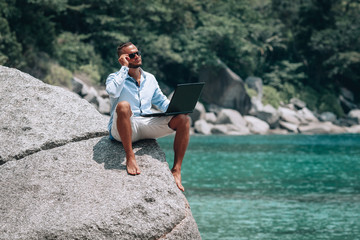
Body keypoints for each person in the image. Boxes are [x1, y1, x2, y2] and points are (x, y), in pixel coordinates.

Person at [105, 42, 190, 192]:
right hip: (124, 128)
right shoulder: (115, 78)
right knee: (123, 106)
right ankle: (130, 156)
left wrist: (179, 108)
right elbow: (112, 92)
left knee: (184, 119)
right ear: (123, 59)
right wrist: (124, 68)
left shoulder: (149, 78)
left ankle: (176, 170)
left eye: (137, 53)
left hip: (146, 123)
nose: (136, 56)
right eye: (131, 55)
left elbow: (161, 102)